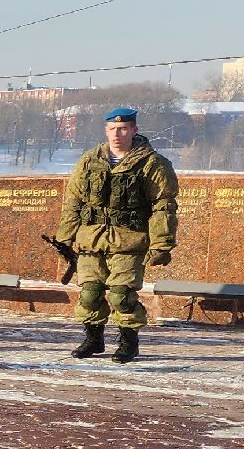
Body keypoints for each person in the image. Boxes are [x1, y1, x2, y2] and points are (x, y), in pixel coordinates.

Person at [59, 107, 177, 363]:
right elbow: (74, 201)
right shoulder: (90, 160)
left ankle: (128, 342)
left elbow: (163, 206)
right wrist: (65, 236)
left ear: (134, 130)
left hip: (129, 239)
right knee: (89, 293)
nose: (117, 134)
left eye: (123, 129)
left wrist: (162, 244)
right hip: (92, 238)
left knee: (121, 296)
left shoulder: (152, 163)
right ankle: (93, 339)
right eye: (112, 129)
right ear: (106, 130)